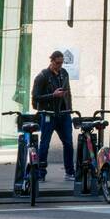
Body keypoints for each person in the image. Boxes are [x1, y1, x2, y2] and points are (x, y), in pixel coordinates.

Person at [33, 50, 74, 181]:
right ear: (51, 61)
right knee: (44, 144)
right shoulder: (42, 76)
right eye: (58, 63)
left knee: (68, 143)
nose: (60, 65)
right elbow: (35, 97)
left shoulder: (64, 73)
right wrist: (53, 95)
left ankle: (69, 172)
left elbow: (68, 92)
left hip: (63, 114)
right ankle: (41, 173)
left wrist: (69, 109)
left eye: (62, 63)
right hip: (49, 114)